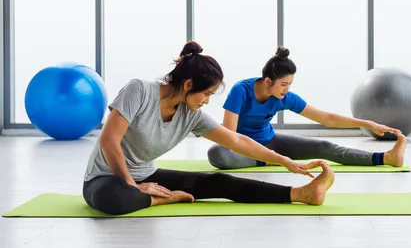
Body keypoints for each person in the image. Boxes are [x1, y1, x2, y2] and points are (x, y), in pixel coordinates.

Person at [82, 41, 334, 216]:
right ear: (188, 83)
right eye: (206, 93)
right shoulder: (139, 91)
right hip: (107, 179)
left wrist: (285, 161)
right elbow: (109, 142)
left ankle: (302, 194)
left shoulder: (191, 115)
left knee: (218, 181)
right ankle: (164, 197)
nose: (207, 101)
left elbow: (237, 142)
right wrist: (132, 185)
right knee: (115, 199)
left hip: (147, 176)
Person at [207, 47, 407, 170]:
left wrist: (367, 123)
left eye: (290, 84)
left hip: (271, 143)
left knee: (325, 147)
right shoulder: (241, 91)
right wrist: (262, 155)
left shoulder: (283, 97)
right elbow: (230, 136)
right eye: (284, 84)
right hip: (243, 149)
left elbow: (327, 118)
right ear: (268, 81)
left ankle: (384, 158)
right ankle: (269, 160)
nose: (287, 89)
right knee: (217, 154)